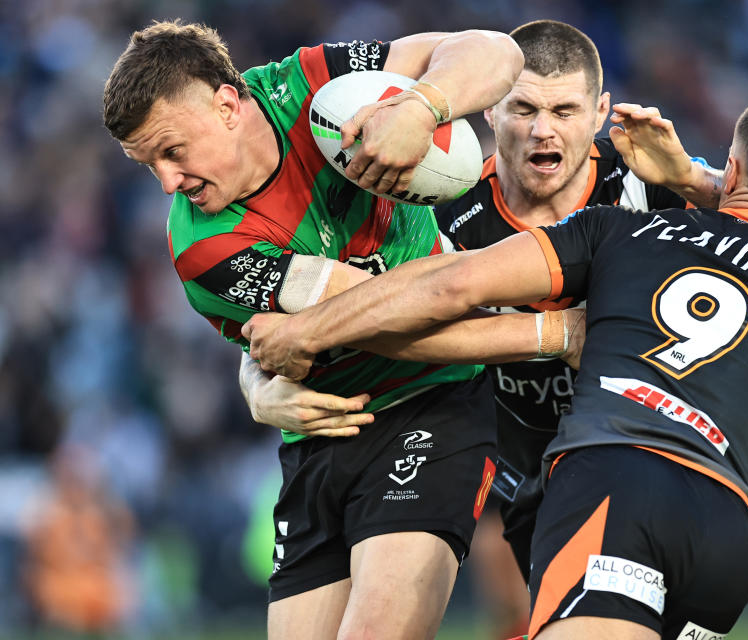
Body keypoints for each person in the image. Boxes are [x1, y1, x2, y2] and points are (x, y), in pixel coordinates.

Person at [242, 92, 748, 639]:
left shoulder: (626, 230)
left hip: (615, 484)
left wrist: (306, 330)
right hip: (723, 534)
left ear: (737, 171)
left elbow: (449, 286)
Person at [102, 19, 526, 639]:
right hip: (321, 434)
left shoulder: (310, 86)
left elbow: (495, 50)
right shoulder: (205, 248)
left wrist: (421, 107)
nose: (169, 183)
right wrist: (551, 335)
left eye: (171, 152)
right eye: (150, 166)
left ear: (226, 105)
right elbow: (384, 314)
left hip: (434, 398)